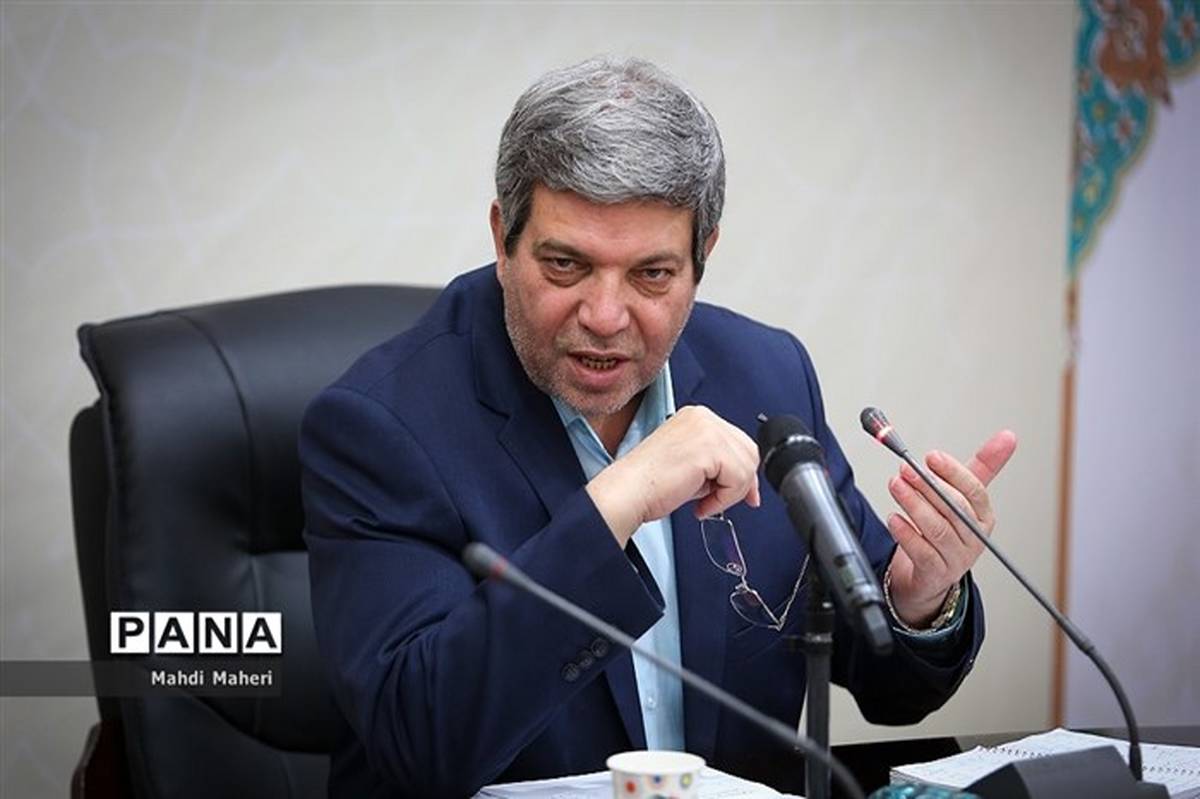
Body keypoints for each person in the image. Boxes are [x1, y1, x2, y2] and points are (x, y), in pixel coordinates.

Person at [300, 56, 1017, 798]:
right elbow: (418, 742)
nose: (606, 316)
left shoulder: (765, 375)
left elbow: (890, 685)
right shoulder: (380, 427)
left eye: (651, 275)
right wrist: (619, 500)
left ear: (703, 255)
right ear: (502, 237)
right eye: (566, 264)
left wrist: (919, 599)